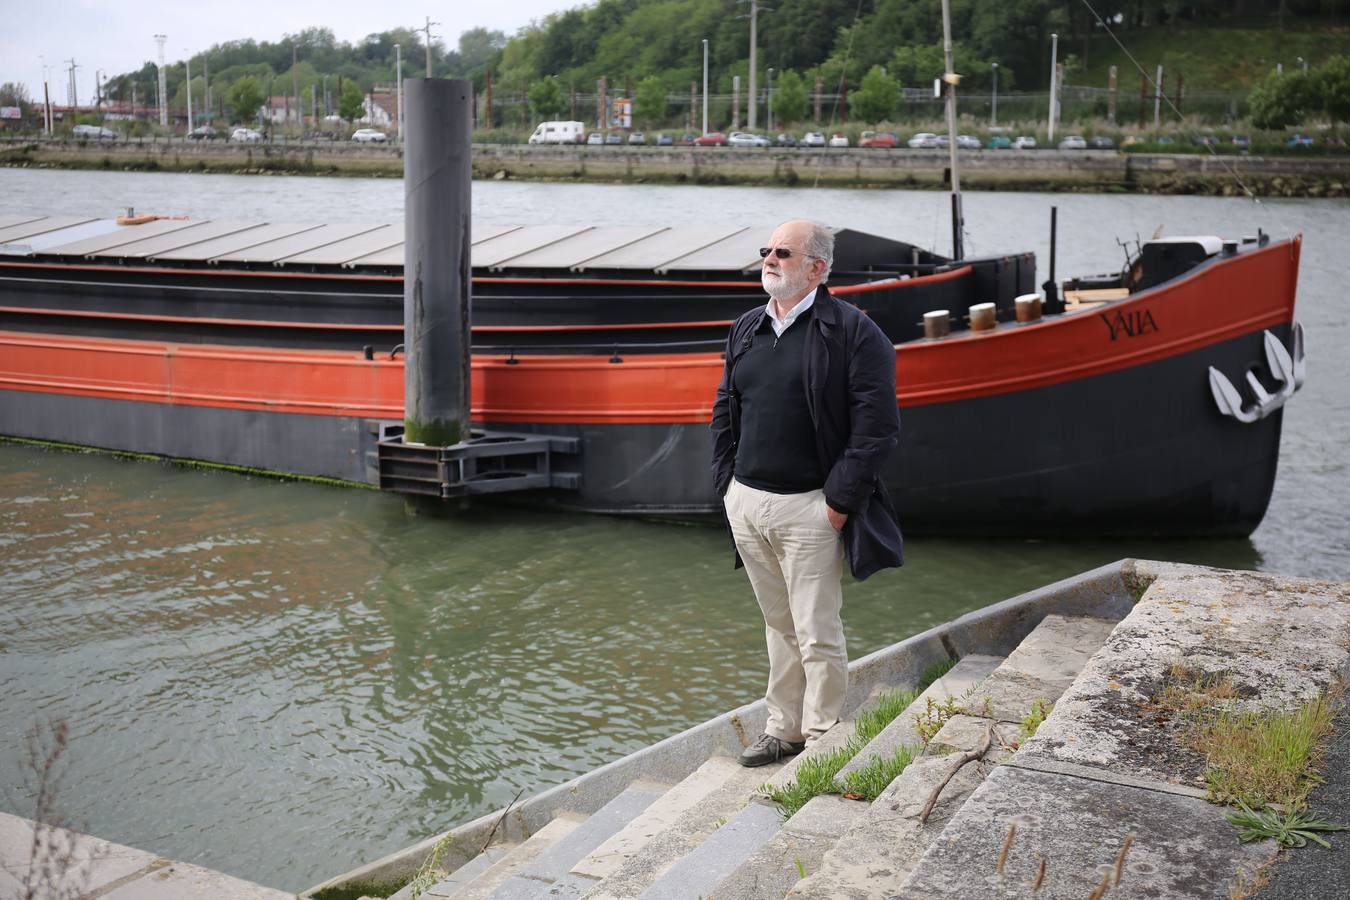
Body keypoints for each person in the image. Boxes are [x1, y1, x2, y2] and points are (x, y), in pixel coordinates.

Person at [710, 219, 904, 768]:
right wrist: (727, 486)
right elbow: (726, 407)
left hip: (810, 507)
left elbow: (877, 429)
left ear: (817, 268)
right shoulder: (747, 327)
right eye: (767, 251)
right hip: (747, 502)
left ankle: (821, 739)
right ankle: (783, 729)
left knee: (816, 629)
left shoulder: (852, 332)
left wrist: (838, 504)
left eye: (784, 253)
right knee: (778, 624)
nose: (769, 259)